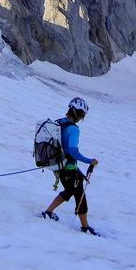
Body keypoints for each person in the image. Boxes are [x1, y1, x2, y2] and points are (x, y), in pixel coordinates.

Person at [41, 97, 100, 236]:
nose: (81, 118)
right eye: (81, 115)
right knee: (80, 197)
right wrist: (89, 161)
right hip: (69, 167)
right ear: (77, 113)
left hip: (59, 165)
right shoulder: (73, 129)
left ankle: (48, 212)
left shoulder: (59, 122)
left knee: (69, 190)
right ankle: (85, 228)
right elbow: (73, 151)